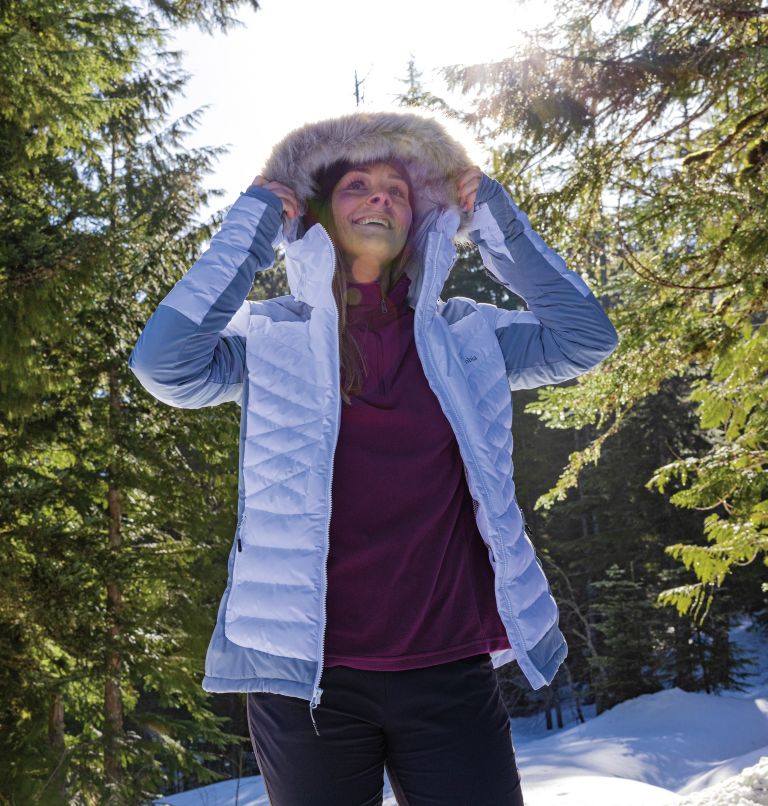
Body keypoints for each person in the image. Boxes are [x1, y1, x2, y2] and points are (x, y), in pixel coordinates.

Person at [128, 111, 619, 805]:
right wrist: (259, 218)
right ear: (321, 215)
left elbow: (585, 338)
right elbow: (164, 364)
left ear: (421, 218)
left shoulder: (465, 335)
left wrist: (496, 221)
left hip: (448, 668)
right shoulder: (273, 338)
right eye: (357, 184)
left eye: (397, 187)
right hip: (305, 683)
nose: (381, 196)